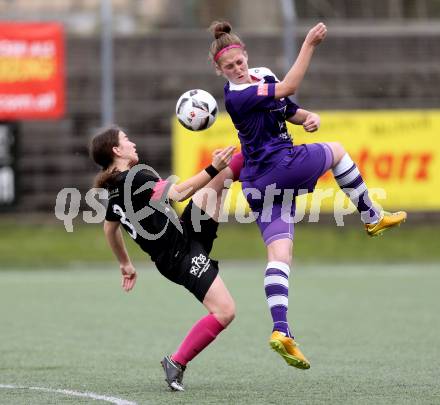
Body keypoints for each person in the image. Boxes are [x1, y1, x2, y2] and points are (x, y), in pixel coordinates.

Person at [207, 21, 407, 370]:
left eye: (239, 63)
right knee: (338, 150)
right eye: (229, 67)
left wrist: (306, 117)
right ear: (218, 71)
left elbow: (285, 108)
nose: (237, 70)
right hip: (278, 166)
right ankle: (372, 217)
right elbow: (290, 85)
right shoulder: (237, 95)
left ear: (246, 56)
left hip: (260, 184)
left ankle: (281, 331)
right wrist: (309, 45)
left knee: (280, 253)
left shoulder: (261, 77)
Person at [90, 125, 243, 391]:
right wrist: (211, 166)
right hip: (180, 256)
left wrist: (125, 264)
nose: (133, 143)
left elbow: (109, 228)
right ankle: (176, 362)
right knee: (225, 311)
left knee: (225, 174)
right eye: (127, 140)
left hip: (186, 233)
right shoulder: (134, 179)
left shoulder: (115, 188)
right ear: (116, 150)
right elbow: (178, 193)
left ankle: (266, 152)